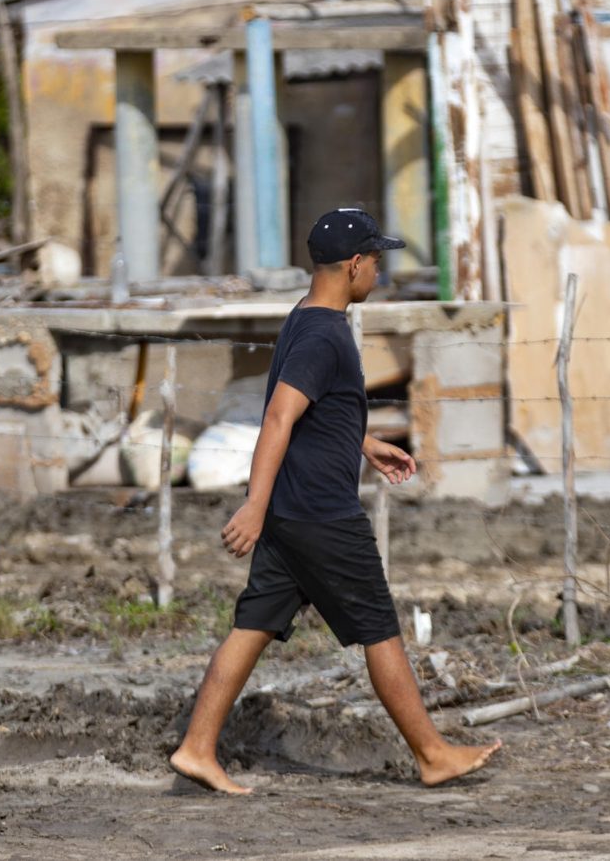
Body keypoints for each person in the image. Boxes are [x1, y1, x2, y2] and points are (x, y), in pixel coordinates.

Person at [170, 208, 502, 794]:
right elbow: (277, 418)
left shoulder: (306, 316)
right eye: (376, 260)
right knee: (379, 627)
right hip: (321, 515)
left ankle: (197, 748)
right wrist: (252, 504)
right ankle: (433, 755)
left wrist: (365, 443)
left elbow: (315, 412)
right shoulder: (324, 335)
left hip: (292, 512)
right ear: (354, 265)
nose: (379, 270)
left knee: (253, 626)